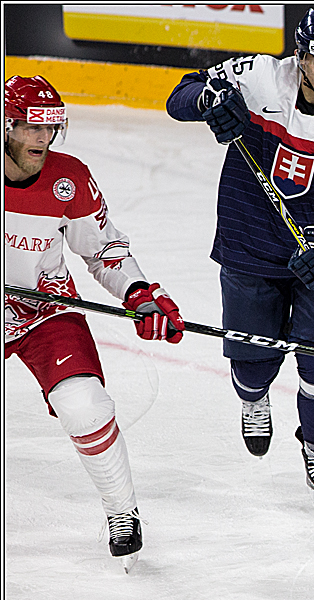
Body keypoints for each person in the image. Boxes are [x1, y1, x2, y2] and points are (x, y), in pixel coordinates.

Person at [165, 8, 314, 520]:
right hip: (251, 241)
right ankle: (253, 398)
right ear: (301, 54)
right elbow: (178, 97)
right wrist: (208, 102)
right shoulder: (258, 78)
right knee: (252, 358)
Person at [4, 75, 186, 571]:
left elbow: (102, 250)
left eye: (50, 129)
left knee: (83, 405)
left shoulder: (70, 178)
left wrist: (139, 292)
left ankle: (121, 510)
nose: (42, 141)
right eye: (31, 130)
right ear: (6, 126)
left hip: (43, 309)